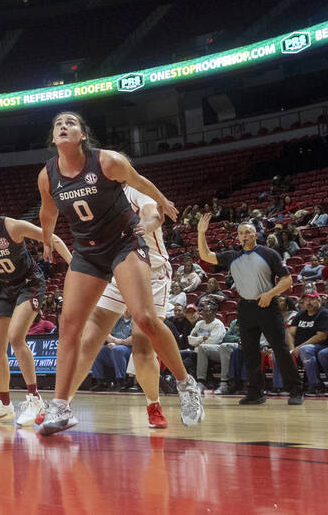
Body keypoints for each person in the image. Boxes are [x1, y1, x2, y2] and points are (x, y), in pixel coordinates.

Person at [36, 112, 203, 435]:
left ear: (83, 134)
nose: (63, 126)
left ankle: (186, 386)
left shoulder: (108, 162)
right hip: (88, 252)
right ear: (53, 138)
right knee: (70, 326)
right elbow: (48, 210)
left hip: (125, 246)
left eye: (70, 122)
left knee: (144, 319)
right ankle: (60, 405)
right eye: (58, 124)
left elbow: (140, 183)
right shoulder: (48, 175)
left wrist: (162, 201)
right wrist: (46, 238)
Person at [73, 185, 175, 428]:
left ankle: (153, 405)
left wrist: (147, 225)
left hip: (152, 273)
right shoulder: (98, 200)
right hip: (118, 272)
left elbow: (152, 213)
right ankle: (61, 405)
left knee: (142, 344)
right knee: (88, 340)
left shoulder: (137, 193)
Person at [0, 191, 71, 426]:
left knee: (15, 337)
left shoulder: (12, 226)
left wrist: (74, 265)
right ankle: (4, 405)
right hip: (4, 289)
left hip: (29, 284)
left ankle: (35, 399)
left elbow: (51, 237)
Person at [197, 213, 304, 406]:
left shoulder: (269, 254)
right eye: (241, 233)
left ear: (255, 235)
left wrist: (270, 294)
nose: (244, 235)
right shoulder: (232, 256)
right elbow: (205, 256)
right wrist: (201, 233)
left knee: (280, 349)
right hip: (245, 307)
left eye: (248, 232)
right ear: (237, 236)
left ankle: (296, 390)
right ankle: (255, 393)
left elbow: (287, 279)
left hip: (267, 306)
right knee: (250, 352)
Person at [185, 302, 227, 385]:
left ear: (214, 312)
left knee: (188, 363)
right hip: (196, 352)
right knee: (183, 359)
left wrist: (197, 341)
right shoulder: (199, 324)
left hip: (211, 353)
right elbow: (190, 340)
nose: (203, 313)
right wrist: (202, 338)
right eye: (203, 311)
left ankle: (203, 382)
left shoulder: (218, 325)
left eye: (207, 311)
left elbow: (213, 342)